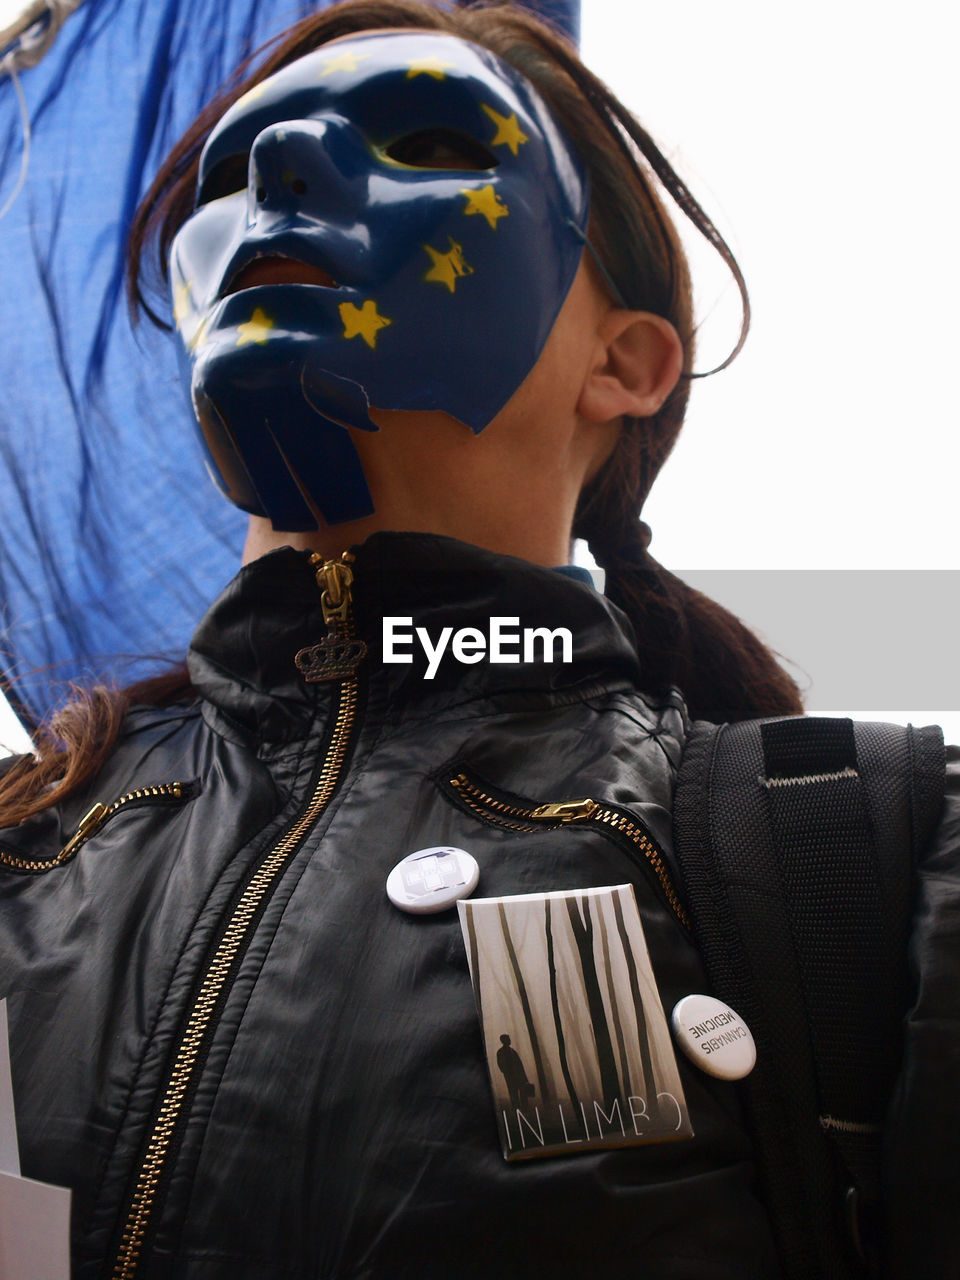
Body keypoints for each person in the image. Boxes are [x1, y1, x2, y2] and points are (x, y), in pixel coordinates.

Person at [0, 2, 955, 1278]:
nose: (279, 179)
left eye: (436, 143)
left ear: (627, 363)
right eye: (227, 177)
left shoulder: (876, 862)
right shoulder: (27, 845)